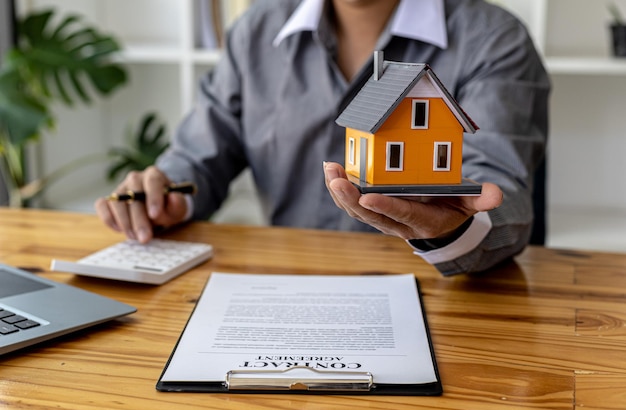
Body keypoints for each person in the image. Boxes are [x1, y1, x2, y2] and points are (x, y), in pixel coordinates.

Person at [95, 0, 550, 276]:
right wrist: (168, 192)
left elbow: (498, 190)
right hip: (286, 287)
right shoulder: (256, 32)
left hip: (441, 297)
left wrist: (455, 229)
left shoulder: (494, 40)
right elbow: (200, 155)